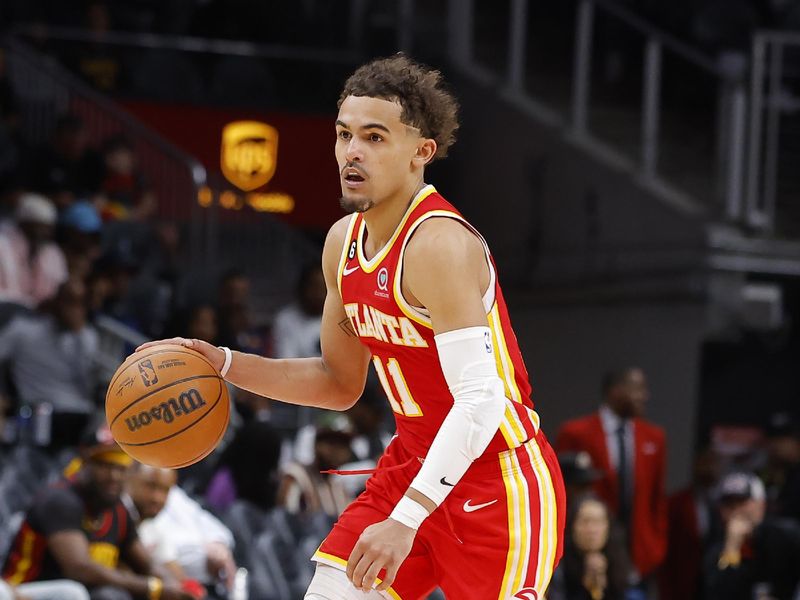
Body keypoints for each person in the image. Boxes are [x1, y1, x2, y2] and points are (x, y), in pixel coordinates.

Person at [137, 53, 565, 599]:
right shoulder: (341, 243)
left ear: (421, 152)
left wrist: (407, 520)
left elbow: (481, 401)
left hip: (495, 483)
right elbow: (337, 383)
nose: (352, 152)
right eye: (344, 135)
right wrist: (224, 363)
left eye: (375, 137)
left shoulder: (439, 244)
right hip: (409, 466)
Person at [2, 424, 195, 600]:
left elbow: (147, 565)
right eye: (104, 465)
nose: (113, 476)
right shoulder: (59, 500)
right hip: (24, 592)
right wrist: (152, 588)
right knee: (83, 594)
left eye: (120, 468)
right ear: (83, 462)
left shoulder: (118, 509)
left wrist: (174, 587)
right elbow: (79, 569)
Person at [556, 368, 667, 582]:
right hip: (584, 554)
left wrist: (655, 547)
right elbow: (559, 493)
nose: (644, 396)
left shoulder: (654, 437)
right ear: (616, 391)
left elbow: (657, 498)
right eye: (637, 389)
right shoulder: (575, 432)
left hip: (640, 555)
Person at [127, 464, 232, 599]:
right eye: (151, 486)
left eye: (165, 490)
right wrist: (158, 589)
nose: (157, 498)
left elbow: (172, 571)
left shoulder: (154, 526)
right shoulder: (117, 511)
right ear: (129, 478)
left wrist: (190, 591)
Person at [705, 471, 800, 600]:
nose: (736, 510)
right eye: (729, 504)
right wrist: (732, 547)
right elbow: (716, 592)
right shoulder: (716, 548)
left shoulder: (785, 536)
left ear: (761, 504)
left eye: (742, 502)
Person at [546, 495, 630, 600]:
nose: (591, 530)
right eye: (585, 521)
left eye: (597, 522)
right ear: (572, 526)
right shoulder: (557, 563)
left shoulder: (619, 559)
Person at [0, 193, 68, 308]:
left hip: (40, 315)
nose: (46, 233)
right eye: (41, 227)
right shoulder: (3, 244)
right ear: (24, 224)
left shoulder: (52, 252)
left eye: (49, 228)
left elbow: (59, 288)